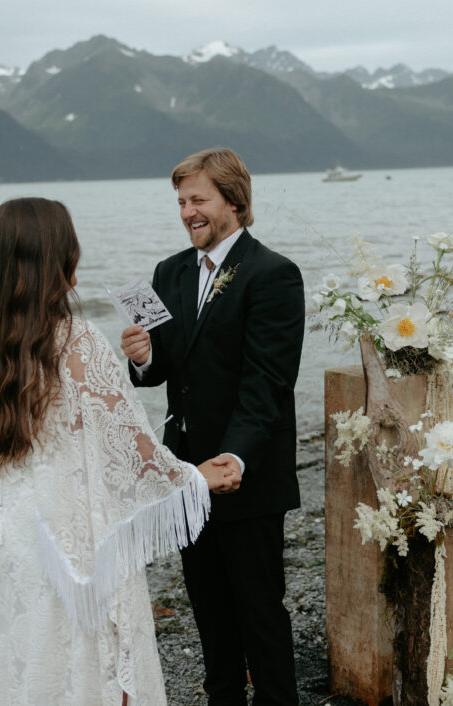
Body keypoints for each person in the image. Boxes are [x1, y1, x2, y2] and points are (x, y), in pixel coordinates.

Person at [0, 197, 241, 705]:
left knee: (32, 662)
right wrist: (195, 478)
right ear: (57, 259)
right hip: (76, 544)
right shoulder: (77, 340)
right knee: (97, 668)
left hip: (21, 540)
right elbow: (133, 447)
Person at [121, 148, 305, 705]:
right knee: (209, 612)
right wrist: (144, 357)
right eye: (181, 202)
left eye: (198, 200)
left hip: (247, 471)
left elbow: (267, 381)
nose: (187, 212)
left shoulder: (274, 274)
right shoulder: (168, 273)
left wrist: (237, 457)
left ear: (233, 200)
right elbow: (164, 371)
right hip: (186, 473)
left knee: (260, 613)